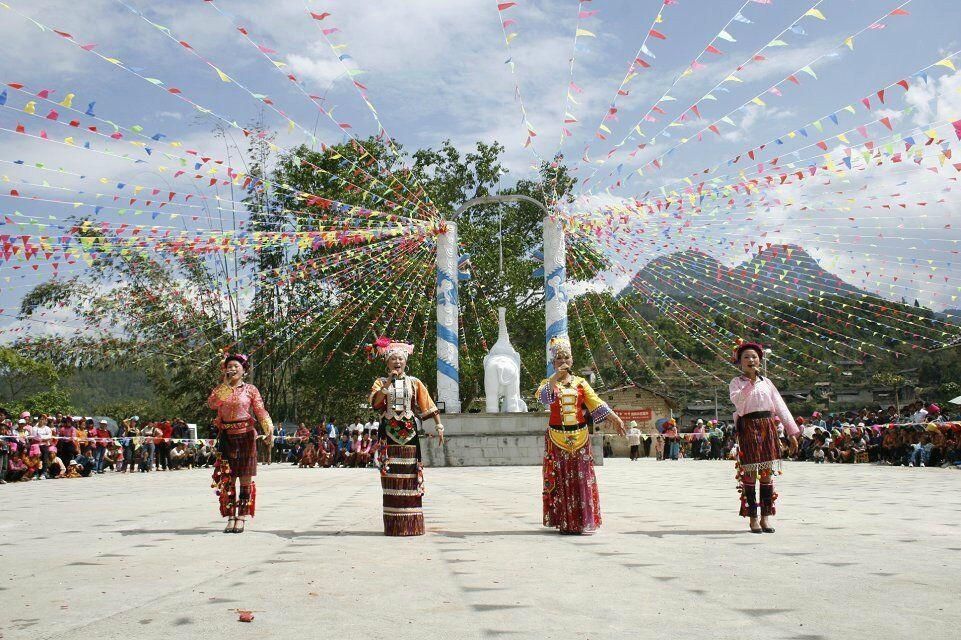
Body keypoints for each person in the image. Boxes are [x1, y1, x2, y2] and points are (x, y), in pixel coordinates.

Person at [536, 336, 625, 535]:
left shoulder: (581, 383)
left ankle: (582, 521)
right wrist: (555, 377)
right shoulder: (548, 383)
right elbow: (544, 398)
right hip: (556, 438)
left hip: (580, 436)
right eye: (559, 359)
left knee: (582, 477)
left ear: (572, 360)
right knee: (560, 477)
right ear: (553, 363)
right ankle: (564, 521)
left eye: (566, 358)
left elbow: (596, 402)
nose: (563, 361)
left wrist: (615, 418)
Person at [369, 339, 444, 537]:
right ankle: (394, 525)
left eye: (400, 359)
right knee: (391, 475)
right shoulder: (380, 382)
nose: (397, 362)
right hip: (388, 434)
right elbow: (376, 403)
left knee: (410, 476)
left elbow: (428, 404)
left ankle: (412, 524)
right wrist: (388, 383)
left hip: (410, 434)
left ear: (405, 362)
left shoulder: (414, 382)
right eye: (393, 359)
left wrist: (439, 425)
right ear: (387, 363)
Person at [729, 340, 799, 534]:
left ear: (760, 360)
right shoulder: (736, 383)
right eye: (746, 357)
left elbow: (780, 407)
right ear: (740, 362)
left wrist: (791, 432)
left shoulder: (767, 383)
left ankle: (765, 517)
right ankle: (753, 518)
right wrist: (750, 383)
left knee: (766, 474)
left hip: (768, 427)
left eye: (754, 357)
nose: (751, 360)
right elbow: (738, 403)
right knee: (750, 473)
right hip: (748, 427)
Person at [208, 353, 273, 534]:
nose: (233, 369)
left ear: (244, 370)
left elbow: (260, 410)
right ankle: (230, 516)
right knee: (228, 478)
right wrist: (226, 386)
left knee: (245, 478)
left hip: (246, 436)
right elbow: (212, 404)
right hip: (226, 437)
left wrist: (269, 429)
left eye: (236, 366)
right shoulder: (221, 389)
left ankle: (242, 516)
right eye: (229, 366)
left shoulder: (251, 390)